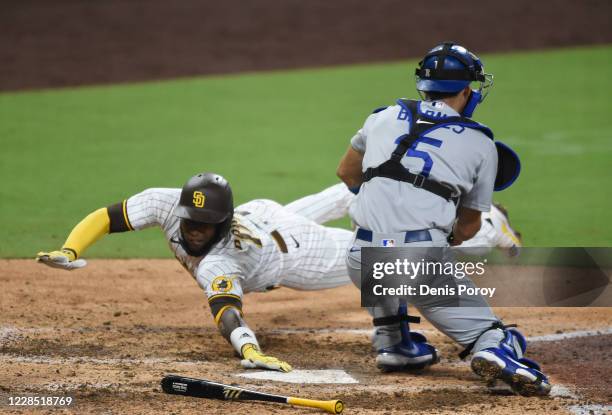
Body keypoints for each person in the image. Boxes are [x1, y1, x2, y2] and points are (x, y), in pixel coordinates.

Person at [336, 42, 550, 396]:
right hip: (419, 263)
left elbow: (347, 173)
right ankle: (494, 352)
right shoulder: (481, 143)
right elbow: (468, 227)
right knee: (495, 334)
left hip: (359, 257)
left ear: (423, 84)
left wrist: (388, 208)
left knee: (380, 257)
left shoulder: (382, 117)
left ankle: (394, 344)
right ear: (467, 90)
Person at [37, 173, 355, 373]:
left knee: (377, 255)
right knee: (350, 193)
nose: (194, 231)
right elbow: (106, 218)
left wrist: (248, 347)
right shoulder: (165, 203)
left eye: (205, 224)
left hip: (298, 252)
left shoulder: (221, 261)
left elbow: (227, 313)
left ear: (222, 221)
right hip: (263, 213)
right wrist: (70, 250)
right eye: (191, 220)